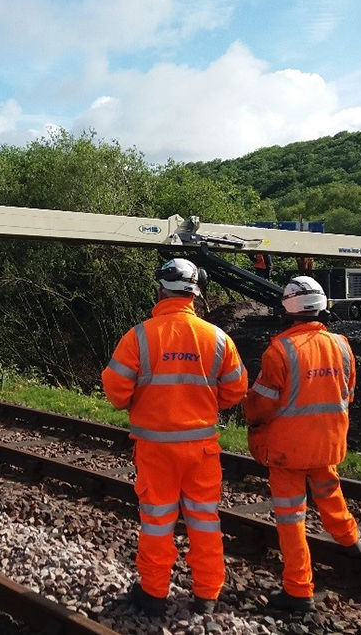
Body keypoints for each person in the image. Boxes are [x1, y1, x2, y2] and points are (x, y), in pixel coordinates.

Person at [102, 258, 248, 617]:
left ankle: (153, 593)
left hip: (156, 449)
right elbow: (236, 389)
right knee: (204, 521)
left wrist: (139, 401)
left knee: (157, 521)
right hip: (201, 449)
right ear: (196, 293)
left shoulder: (139, 336)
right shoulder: (217, 338)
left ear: (161, 290)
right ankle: (207, 595)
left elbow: (115, 390)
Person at [243, 276, 361, 613]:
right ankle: (352, 541)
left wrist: (249, 417)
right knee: (328, 491)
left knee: (291, 518)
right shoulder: (342, 345)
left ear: (288, 309)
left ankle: (299, 590)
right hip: (327, 443)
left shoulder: (280, 351)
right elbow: (347, 394)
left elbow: (262, 407)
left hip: (287, 452)